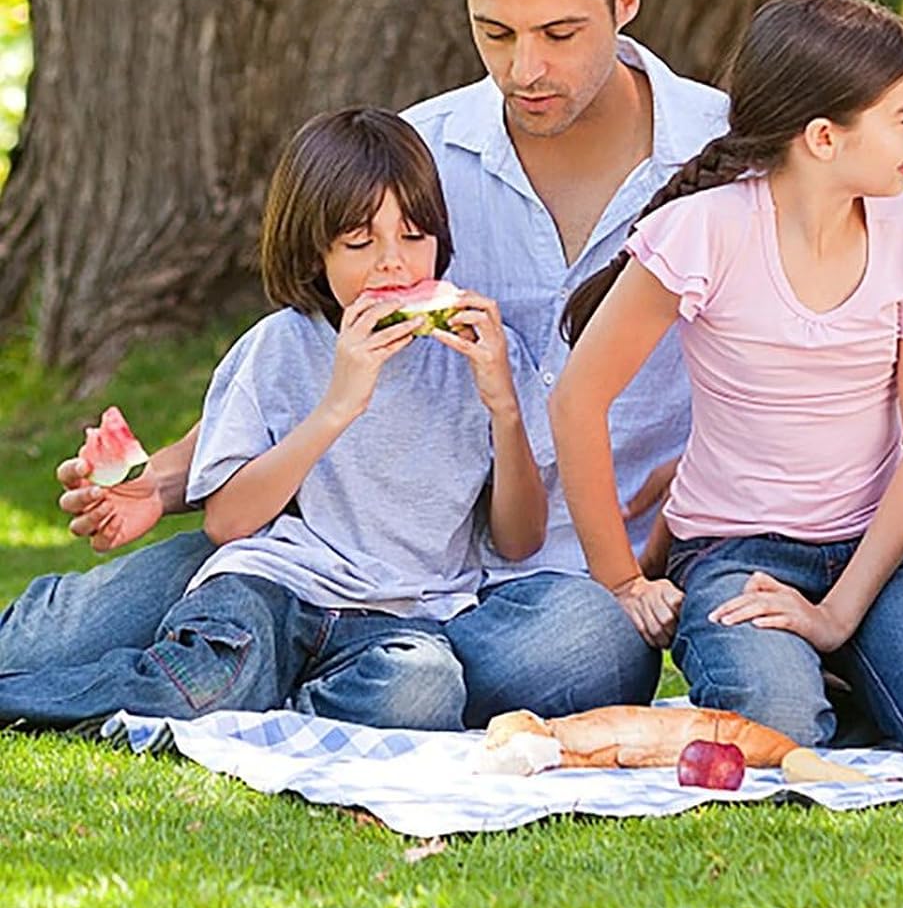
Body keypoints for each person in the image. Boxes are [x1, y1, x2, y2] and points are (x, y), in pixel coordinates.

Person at [12, 0, 729, 725]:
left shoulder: (724, 162)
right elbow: (309, 352)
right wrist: (157, 485)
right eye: (494, 33)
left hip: (547, 583)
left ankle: (294, 672)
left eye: (559, 34)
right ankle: (268, 655)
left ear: (626, 0)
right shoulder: (419, 157)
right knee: (56, 641)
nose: (524, 70)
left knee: (586, 657)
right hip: (332, 536)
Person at [0, 108, 544, 729]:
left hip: (403, 617)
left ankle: (276, 714)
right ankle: (30, 695)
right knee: (201, 685)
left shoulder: (483, 360)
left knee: (424, 691)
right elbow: (229, 521)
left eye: (414, 236)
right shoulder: (279, 348)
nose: (394, 263)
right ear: (315, 255)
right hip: (271, 589)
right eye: (362, 242)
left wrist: (503, 406)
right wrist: (338, 406)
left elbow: (519, 539)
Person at [550, 0, 903, 750]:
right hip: (733, 551)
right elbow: (577, 401)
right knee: (779, 726)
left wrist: (838, 614)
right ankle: (805, 679)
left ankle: (841, 664)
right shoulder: (704, 232)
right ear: (823, 136)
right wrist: (622, 579)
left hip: (875, 549)